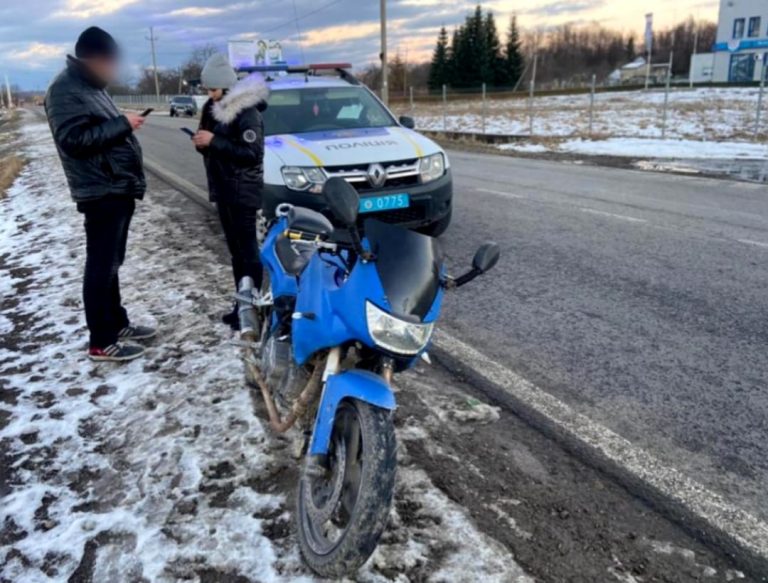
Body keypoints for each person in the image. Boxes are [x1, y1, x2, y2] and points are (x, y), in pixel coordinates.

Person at [45, 27, 155, 362]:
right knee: (101, 266)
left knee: (112, 264)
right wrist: (123, 124)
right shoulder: (65, 90)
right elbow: (73, 141)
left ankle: (116, 323)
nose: (113, 69)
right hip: (100, 190)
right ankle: (101, 341)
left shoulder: (91, 87)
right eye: (109, 62)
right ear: (92, 59)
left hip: (116, 187)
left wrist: (123, 122)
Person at [192, 54, 269, 329]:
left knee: (247, 252)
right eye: (207, 90)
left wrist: (214, 141)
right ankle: (242, 304)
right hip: (224, 189)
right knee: (236, 253)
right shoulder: (216, 108)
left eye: (213, 89)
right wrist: (203, 143)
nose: (209, 95)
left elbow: (251, 153)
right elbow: (219, 145)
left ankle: (254, 308)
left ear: (226, 86)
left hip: (242, 191)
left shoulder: (247, 112)